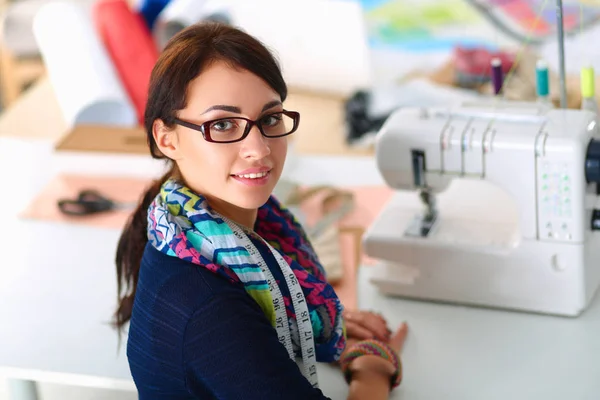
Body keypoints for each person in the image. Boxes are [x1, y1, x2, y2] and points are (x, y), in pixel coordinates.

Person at [113, 22, 408, 400]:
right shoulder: (211, 309)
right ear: (166, 138)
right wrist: (373, 369)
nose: (260, 148)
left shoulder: (196, 228)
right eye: (221, 124)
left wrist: (318, 325)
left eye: (269, 118)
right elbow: (230, 337)